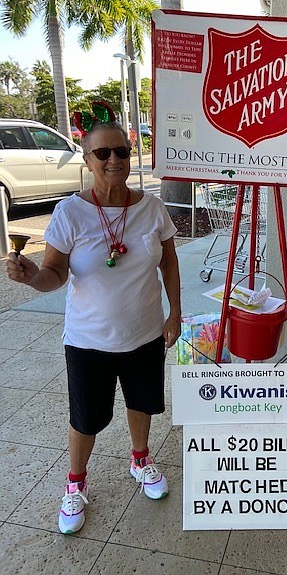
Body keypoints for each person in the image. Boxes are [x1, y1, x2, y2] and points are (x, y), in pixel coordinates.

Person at [6, 102, 182, 535]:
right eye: (102, 154)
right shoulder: (71, 212)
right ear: (87, 161)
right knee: (86, 417)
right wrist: (32, 279)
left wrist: (175, 312)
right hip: (88, 340)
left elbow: (170, 263)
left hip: (144, 333)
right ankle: (75, 483)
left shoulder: (152, 208)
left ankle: (140, 459)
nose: (114, 161)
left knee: (142, 403)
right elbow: (54, 275)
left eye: (121, 152)